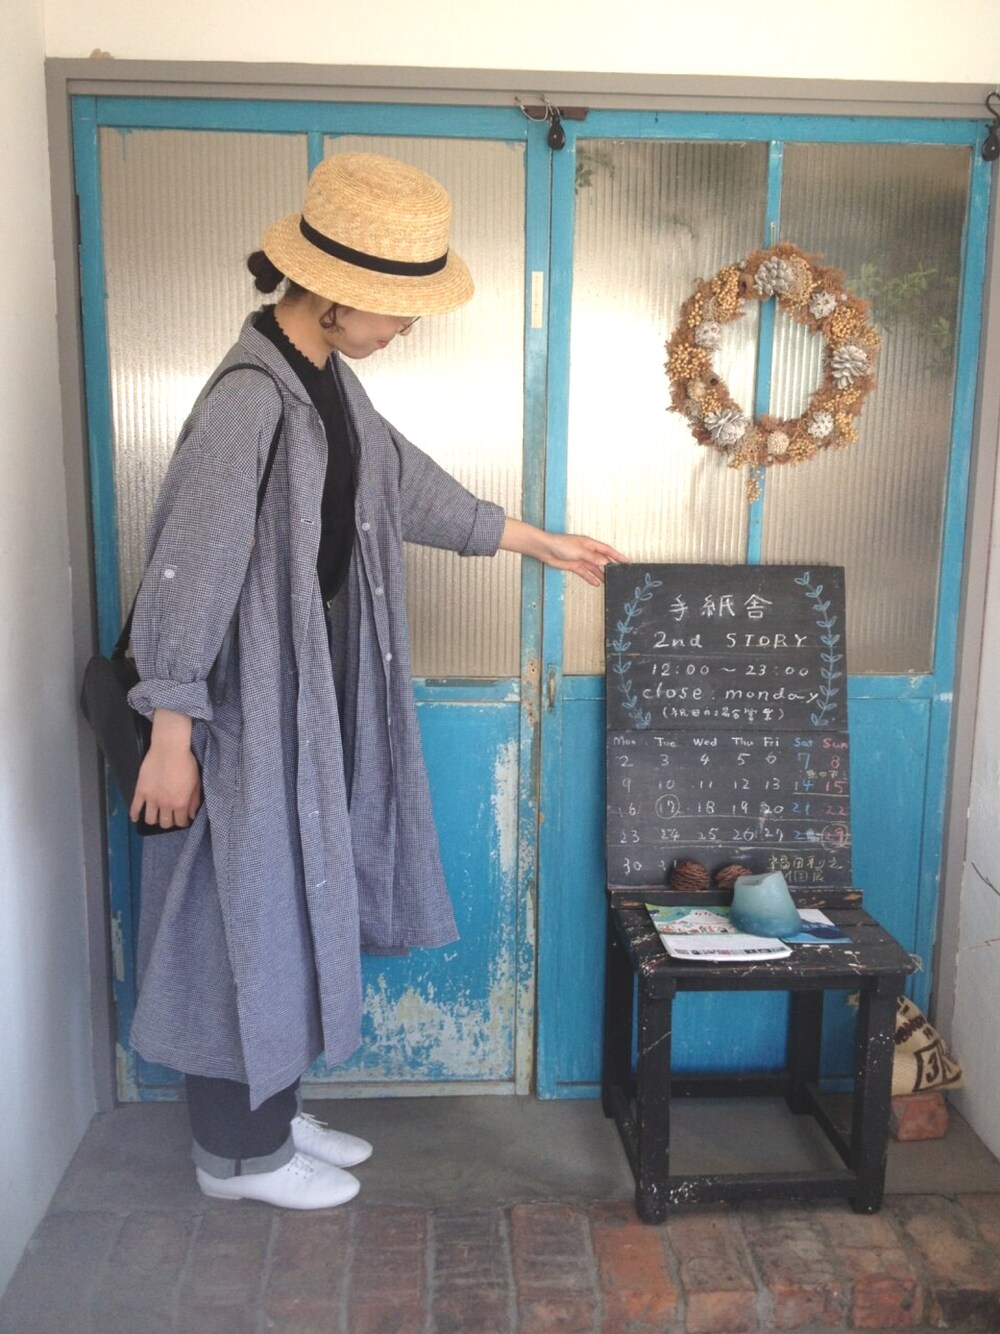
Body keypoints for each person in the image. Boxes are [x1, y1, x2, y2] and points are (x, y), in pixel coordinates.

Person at [126, 152, 624, 1210]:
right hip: (239, 712)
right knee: (237, 919)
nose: (406, 328)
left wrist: (538, 541)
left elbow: (406, 485)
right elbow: (189, 566)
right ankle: (237, 1158)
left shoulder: (322, 380)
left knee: (289, 905)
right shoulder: (249, 401)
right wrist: (172, 727)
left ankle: (276, 1108)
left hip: (298, 699)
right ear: (335, 294)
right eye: (399, 309)